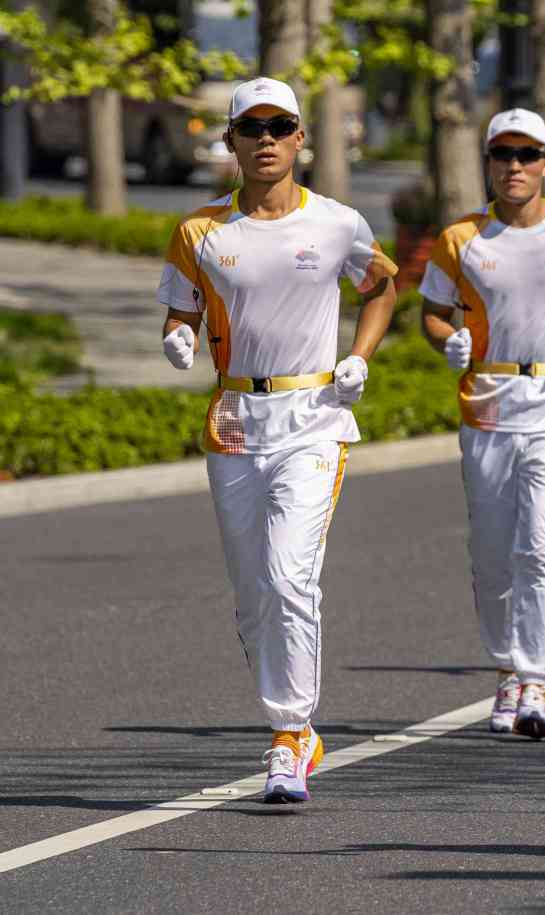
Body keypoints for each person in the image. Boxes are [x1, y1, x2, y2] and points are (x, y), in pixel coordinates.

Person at [158, 77, 398, 803]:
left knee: (292, 573)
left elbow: (381, 284)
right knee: (253, 589)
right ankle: (288, 720)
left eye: (279, 125)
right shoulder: (201, 231)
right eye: (250, 127)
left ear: (301, 138)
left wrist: (361, 354)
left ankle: (292, 733)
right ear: (229, 142)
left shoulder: (337, 223)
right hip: (233, 420)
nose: (265, 139)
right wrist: (176, 337)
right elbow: (181, 310)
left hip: (312, 419)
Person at [418, 108, 545, 740]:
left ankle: (536, 678)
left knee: (543, 540)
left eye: (526, 154)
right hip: (487, 401)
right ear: (489, 162)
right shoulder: (462, 239)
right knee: (492, 550)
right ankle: (506, 666)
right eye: (503, 154)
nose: (514, 166)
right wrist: (448, 338)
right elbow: (432, 310)